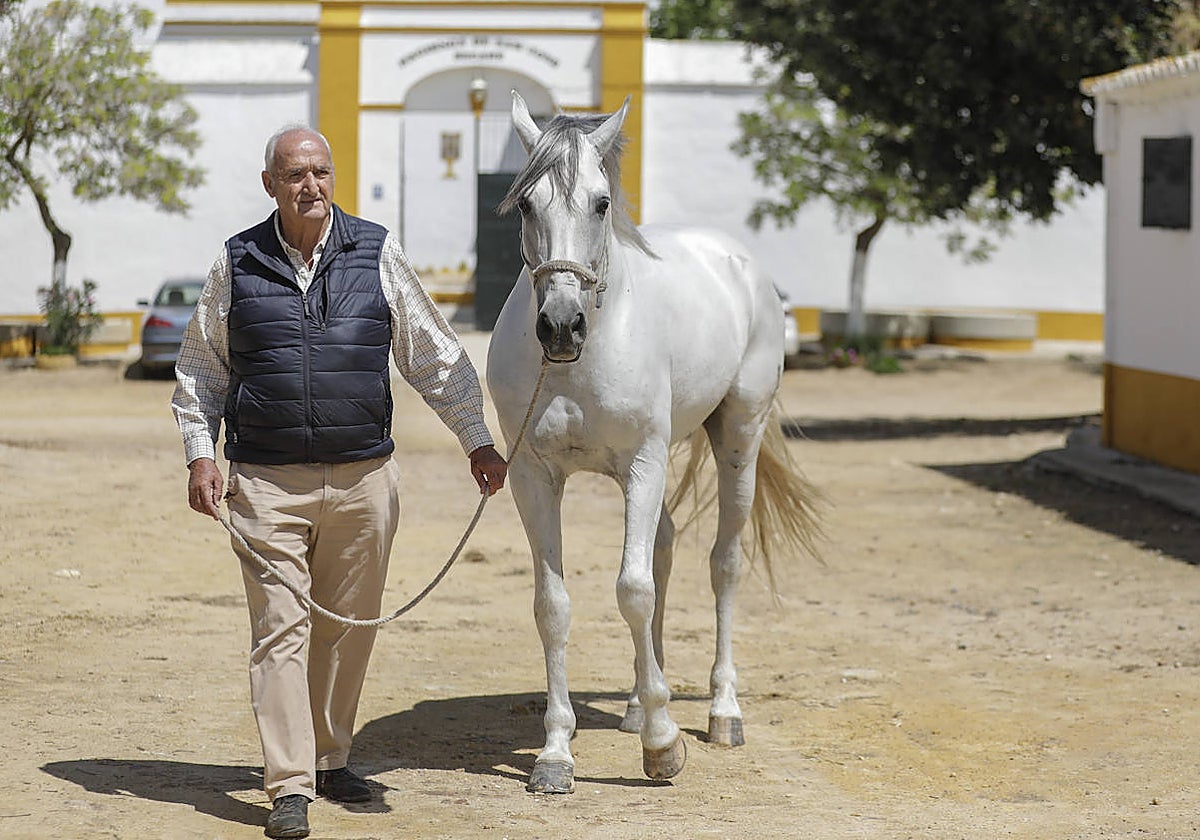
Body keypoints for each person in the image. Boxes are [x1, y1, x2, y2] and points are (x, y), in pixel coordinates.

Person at [171, 125, 507, 839]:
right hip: (264, 483)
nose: (310, 186)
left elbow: (433, 358)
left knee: (345, 633)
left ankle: (330, 758)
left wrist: (477, 439)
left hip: (364, 483)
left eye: (321, 172)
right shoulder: (237, 261)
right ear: (271, 184)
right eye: (295, 174)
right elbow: (202, 369)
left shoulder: (376, 250)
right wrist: (203, 454)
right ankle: (290, 784)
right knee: (280, 633)